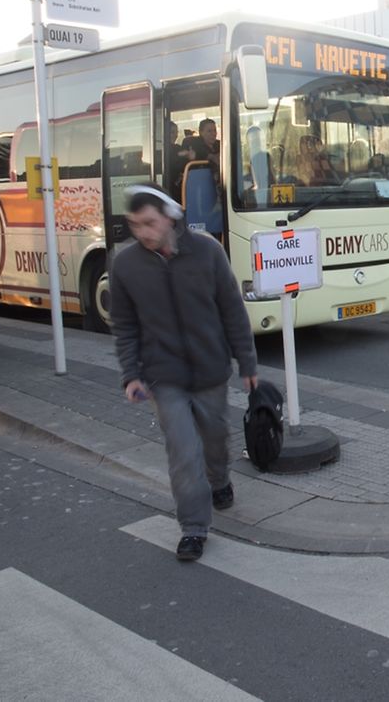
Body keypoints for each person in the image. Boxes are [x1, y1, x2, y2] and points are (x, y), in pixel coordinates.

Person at [110, 185, 258, 561]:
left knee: (214, 441)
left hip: (210, 371)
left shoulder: (207, 251)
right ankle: (193, 528)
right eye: (135, 224)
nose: (143, 232)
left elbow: (232, 310)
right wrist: (131, 375)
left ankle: (220, 480)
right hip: (163, 377)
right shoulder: (126, 265)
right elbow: (124, 326)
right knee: (183, 452)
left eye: (150, 222)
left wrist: (248, 362)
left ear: (169, 217)